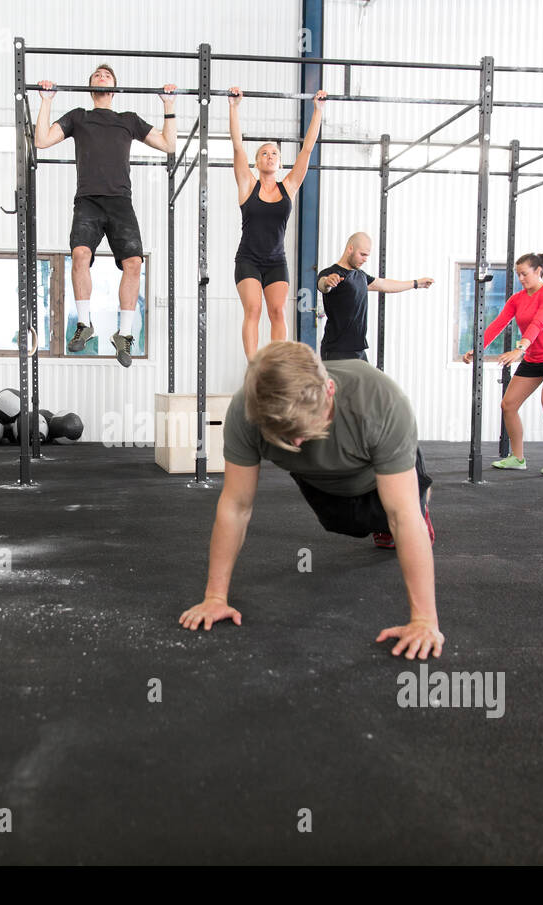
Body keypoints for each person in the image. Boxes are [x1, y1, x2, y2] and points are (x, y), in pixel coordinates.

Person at [178, 342, 443, 661]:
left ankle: (420, 491)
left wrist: (425, 620)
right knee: (344, 523)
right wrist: (214, 596)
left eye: (305, 427)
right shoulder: (246, 411)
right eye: (285, 434)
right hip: (320, 479)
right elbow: (236, 506)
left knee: (398, 514)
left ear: (329, 390)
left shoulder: (380, 402)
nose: (298, 441)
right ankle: (375, 516)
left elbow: (402, 515)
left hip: (377, 470)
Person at [35, 66, 178, 367]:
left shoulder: (128, 120)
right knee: (79, 255)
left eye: (107, 75)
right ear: (90, 88)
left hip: (120, 203)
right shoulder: (78, 117)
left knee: (134, 263)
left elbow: (169, 145)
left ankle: (124, 335)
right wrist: (46, 100)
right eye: (97, 75)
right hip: (88, 200)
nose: (102, 77)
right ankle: (84, 325)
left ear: (114, 88)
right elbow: (42, 140)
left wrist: (169, 107)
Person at [229, 85, 325, 359]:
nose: (269, 156)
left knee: (278, 311)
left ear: (280, 163)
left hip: (275, 260)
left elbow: (306, 150)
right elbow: (237, 146)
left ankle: (275, 365)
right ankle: (253, 367)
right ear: (257, 162)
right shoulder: (247, 184)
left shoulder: (288, 187)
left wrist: (318, 111)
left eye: (274, 154)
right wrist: (234, 108)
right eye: (264, 153)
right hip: (248, 258)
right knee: (254, 310)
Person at [464, 252, 543, 476]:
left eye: (524, 274)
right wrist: (477, 349)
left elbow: (539, 322)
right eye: (518, 275)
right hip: (534, 358)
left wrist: (519, 349)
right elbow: (497, 324)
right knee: (508, 405)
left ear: (538, 271)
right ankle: (517, 457)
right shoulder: (517, 299)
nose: (521, 278)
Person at [318, 232, 434, 362]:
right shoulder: (332, 273)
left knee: (368, 382)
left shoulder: (361, 276)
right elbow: (322, 284)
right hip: (336, 350)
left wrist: (416, 283)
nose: (365, 259)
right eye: (362, 254)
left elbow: (384, 284)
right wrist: (328, 282)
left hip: (358, 350)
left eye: (367, 256)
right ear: (350, 249)